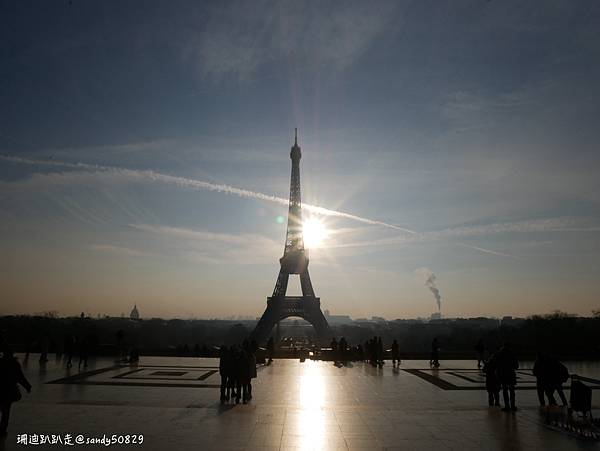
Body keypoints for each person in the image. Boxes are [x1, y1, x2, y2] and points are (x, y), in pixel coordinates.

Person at [0, 347, 32, 437]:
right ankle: (2, 429)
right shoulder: (14, 364)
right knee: (6, 411)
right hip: (9, 390)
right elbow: (20, 377)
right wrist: (27, 386)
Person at [496, 342, 519, 412]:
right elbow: (516, 366)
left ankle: (507, 406)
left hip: (503, 374)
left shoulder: (500, 354)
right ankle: (513, 405)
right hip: (511, 374)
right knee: (512, 391)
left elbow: (497, 365)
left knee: (505, 390)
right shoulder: (512, 354)